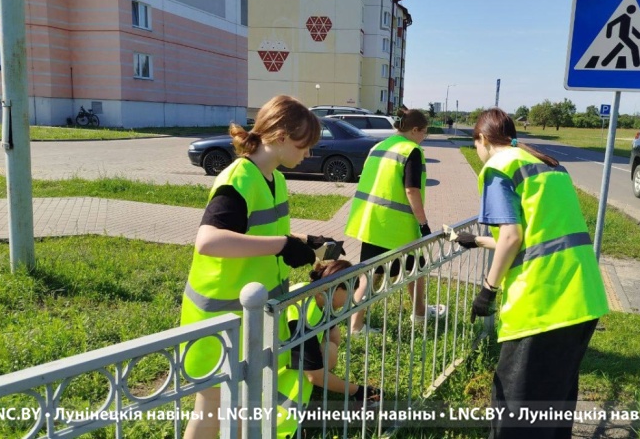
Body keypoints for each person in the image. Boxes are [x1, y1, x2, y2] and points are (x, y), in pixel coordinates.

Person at [181, 95, 333, 439]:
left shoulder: (273, 178)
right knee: (210, 412)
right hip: (218, 322)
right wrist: (282, 245)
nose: (307, 153)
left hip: (249, 319)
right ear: (280, 136)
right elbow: (209, 241)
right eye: (303, 145)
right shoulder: (240, 178)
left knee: (237, 407)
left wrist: (301, 239)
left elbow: (259, 230)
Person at [455, 108, 609, 439]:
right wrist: (480, 240)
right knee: (553, 405)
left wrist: (487, 290)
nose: (478, 154)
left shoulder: (498, 167)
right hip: (583, 297)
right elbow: (539, 235)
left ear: (481, 139)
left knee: (516, 413)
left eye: (475, 146)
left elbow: (512, 237)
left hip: (542, 304)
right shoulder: (549, 166)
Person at [345, 107, 446, 334]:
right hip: (396, 226)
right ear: (415, 130)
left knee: (374, 274)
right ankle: (418, 315)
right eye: (424, 133)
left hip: (371, 222)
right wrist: (423, 223)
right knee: (415, 270)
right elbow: (411, 189)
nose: (424, 138)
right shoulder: (412, 150)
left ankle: (357, 325)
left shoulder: (379, 146)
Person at [277, 260, 382, 437]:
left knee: (329, 347)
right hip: (278, 411)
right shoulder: (306, 316)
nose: (350, 299)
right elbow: (314, 375)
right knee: (326, 353)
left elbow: (334, 336)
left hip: (271, 370)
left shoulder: (306, 292)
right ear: (336, 288)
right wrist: (359, 391)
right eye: (349, 292)